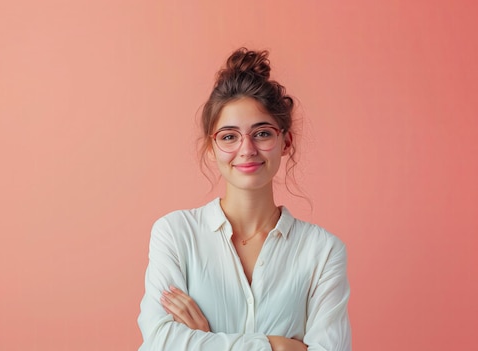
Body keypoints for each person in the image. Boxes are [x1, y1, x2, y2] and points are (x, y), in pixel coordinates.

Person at [137, 48, 351, 351]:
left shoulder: (323, 252)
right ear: (211, 148)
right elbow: (159, 344)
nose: (247, 149)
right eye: (229, 136)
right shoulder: (175, 233)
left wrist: (205, 340)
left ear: (285, 142)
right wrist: (277, 346)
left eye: (262, 133)